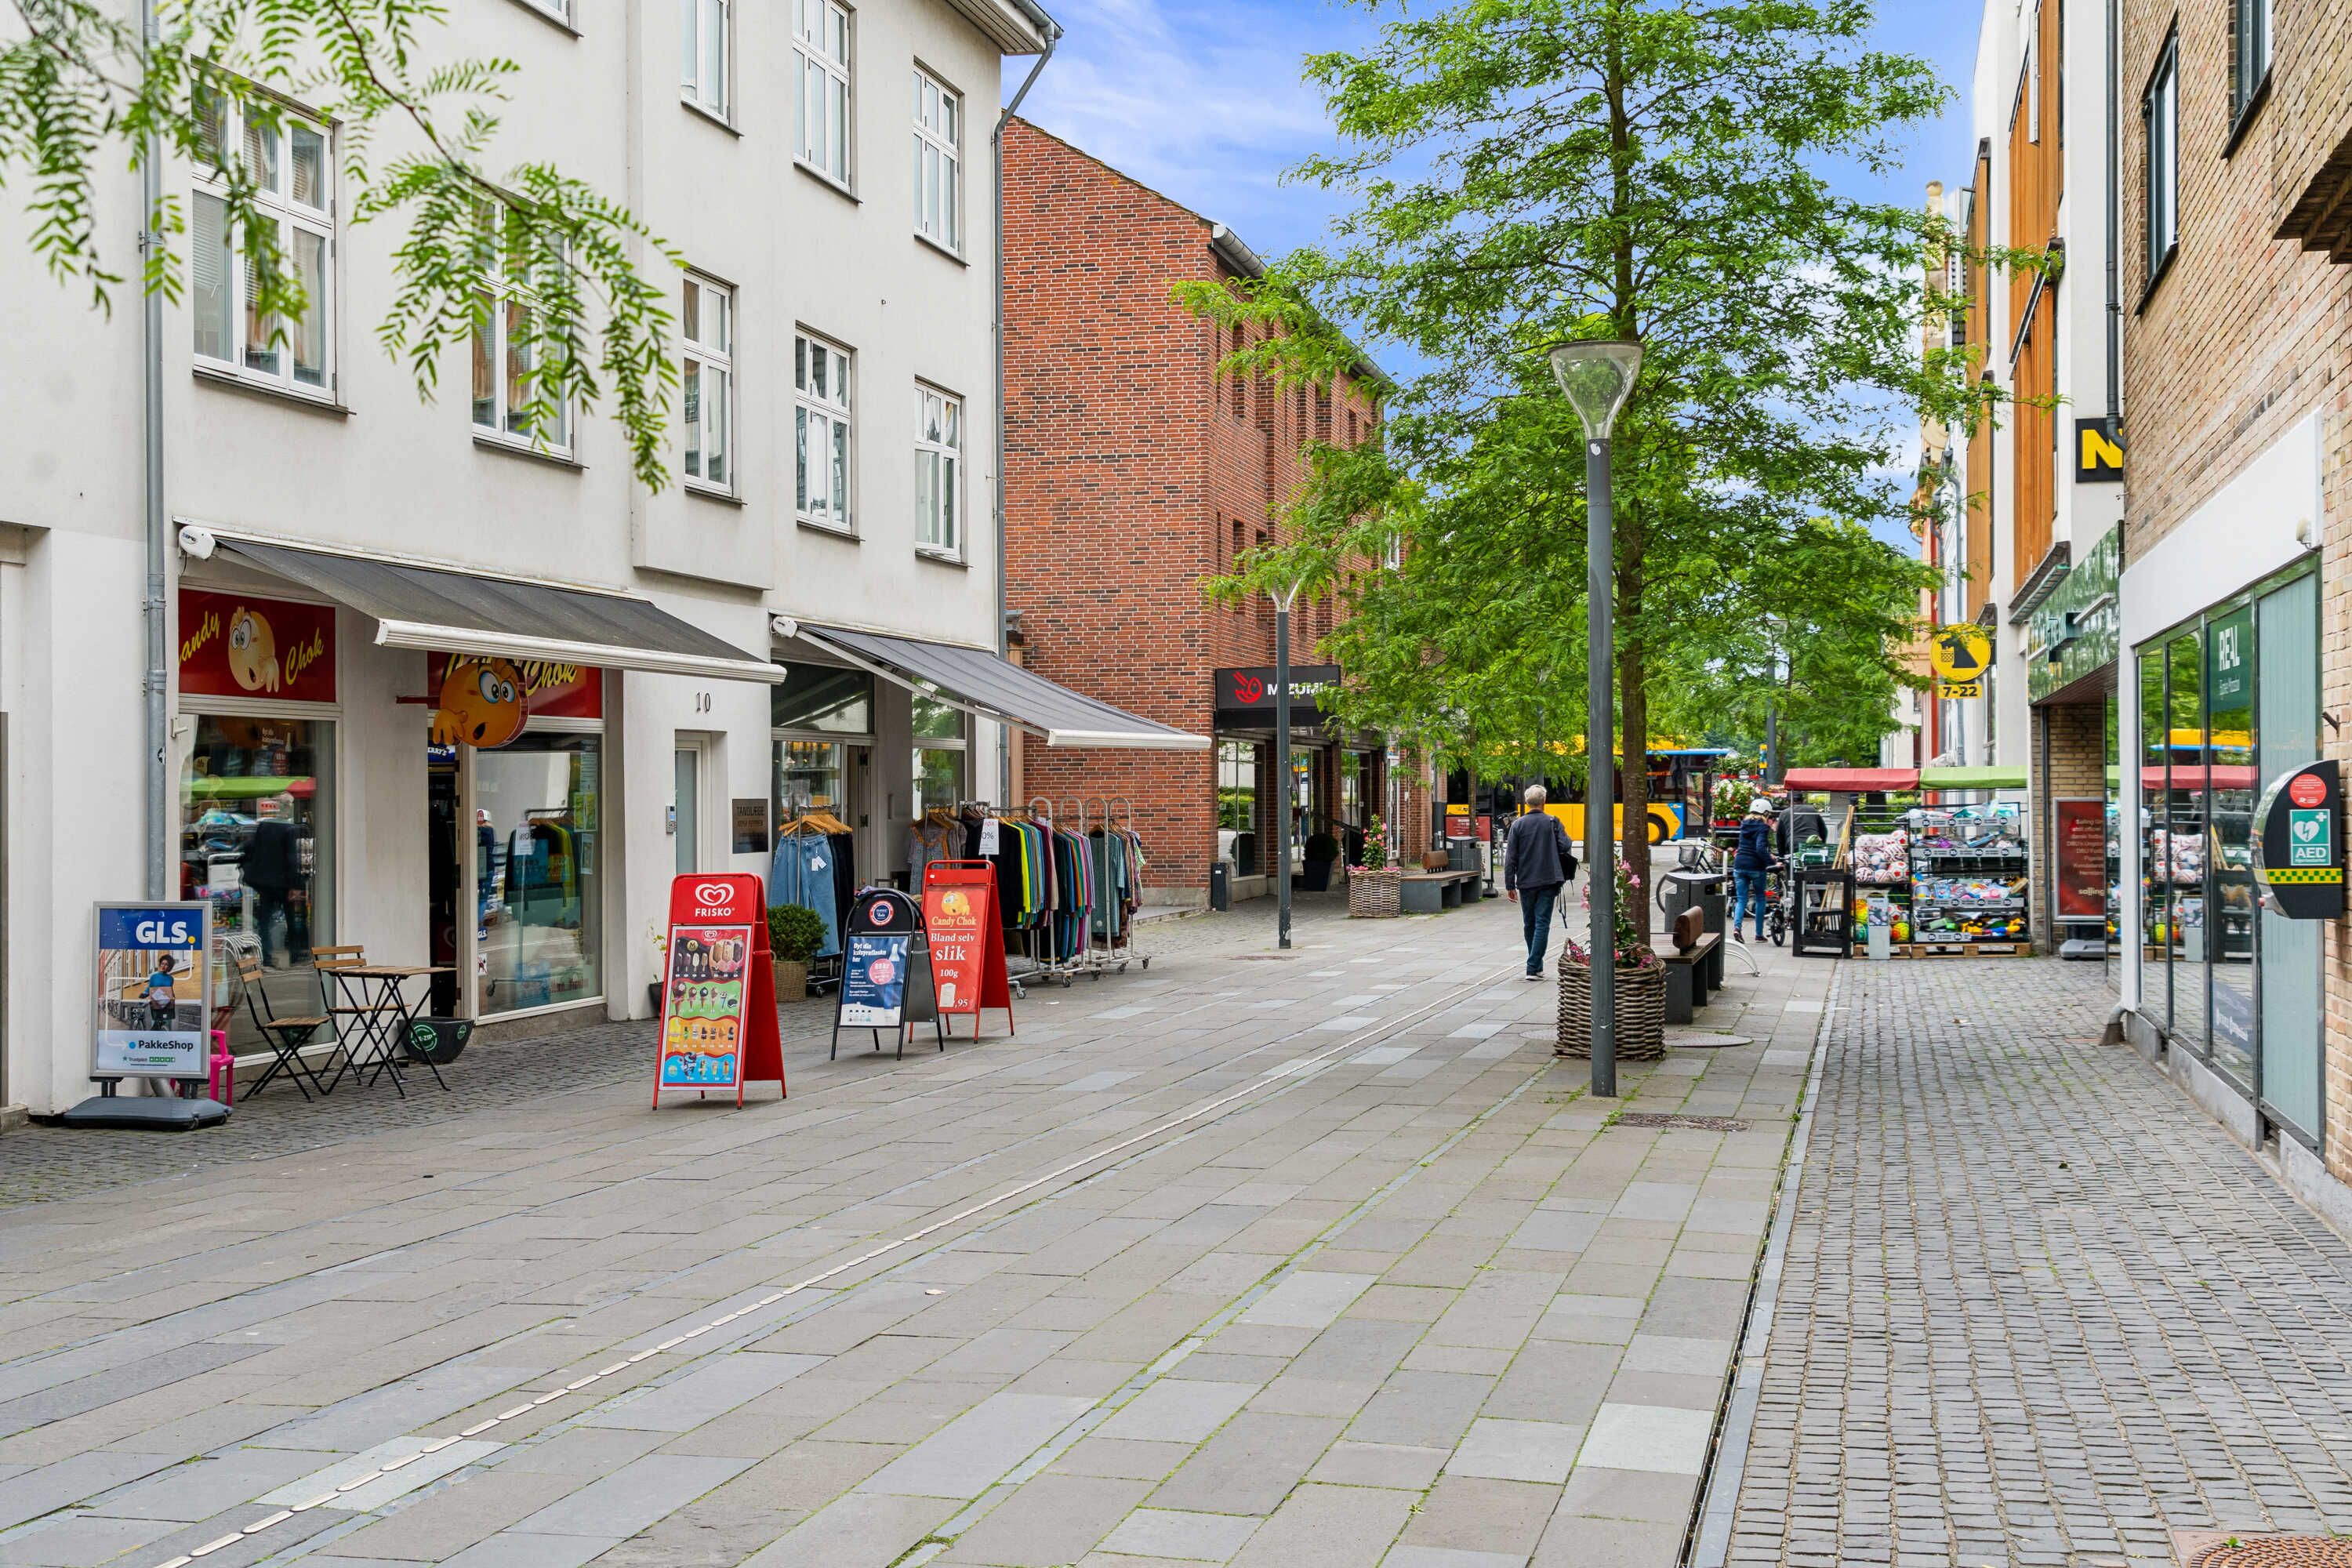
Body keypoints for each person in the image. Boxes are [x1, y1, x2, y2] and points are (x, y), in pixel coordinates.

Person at [1502, 785, 1577, 979]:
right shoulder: (1553, 822)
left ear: (1527, 803)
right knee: (1542, 922)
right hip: (1549, 879)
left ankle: (1535, 965)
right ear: (1544, 801)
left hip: (1526, 880)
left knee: (1530, 923)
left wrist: (1510, 885)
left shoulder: (1517, 825)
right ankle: (1533, 966)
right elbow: (1566, 844)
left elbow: (1510, 857)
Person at [1731, 798, 1775, 942]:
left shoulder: (1744, 824)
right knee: (1760, 898)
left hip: (1739, 865)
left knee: (1741, 899)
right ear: (1766, 812)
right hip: (1756, 867)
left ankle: (1737, 928)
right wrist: (1771, 861)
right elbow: (1760, 848)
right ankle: (1758, 934)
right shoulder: (1763, 827)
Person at [145, 954, 180, 1030]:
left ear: (169, 967)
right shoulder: (154, 977)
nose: (164, 966)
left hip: (167, 1003)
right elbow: (149, 987)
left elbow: (170, 989)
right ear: (160, 964)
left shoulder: (170, 978)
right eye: (162, 964)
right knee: (155, 1022)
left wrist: (173, 996)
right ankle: (153, 1037)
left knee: (165, 1022)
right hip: (156, 1003)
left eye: (166, 964)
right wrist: (144, 993)